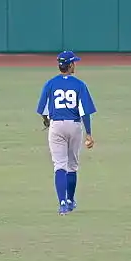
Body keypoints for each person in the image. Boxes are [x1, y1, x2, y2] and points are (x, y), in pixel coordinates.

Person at [36, 51, 97, 215]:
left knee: (59, 165)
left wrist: (46, 121)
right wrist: (89, 134)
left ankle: (62, 202)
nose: (75, 65)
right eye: (74, 63)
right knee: (72, 166)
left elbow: (42, 109)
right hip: (74, 126)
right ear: (70, 65)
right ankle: (70, 200)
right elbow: (85, 112)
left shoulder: (50, 84)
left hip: (56, 126)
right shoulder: (79, 85)